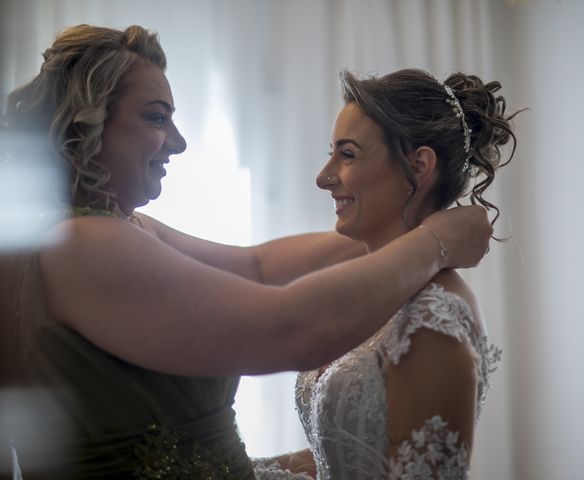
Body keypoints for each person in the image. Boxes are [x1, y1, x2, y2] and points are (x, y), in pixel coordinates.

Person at [0, 25, 492, 479]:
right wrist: (434, 241)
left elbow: (259, 266)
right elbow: (289, 327)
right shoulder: (83, 244)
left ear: (418, 167)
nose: (179, 142)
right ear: (87, 123)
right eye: (156, 118)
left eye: (347, 154)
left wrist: (400, 230)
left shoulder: (114, 229)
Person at [251, 68, 518, 479]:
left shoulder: (433, 317)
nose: (323, 177)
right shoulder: (376, 288)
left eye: (348, 154)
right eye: (331, 153)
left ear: (419, 166)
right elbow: (345, 449)